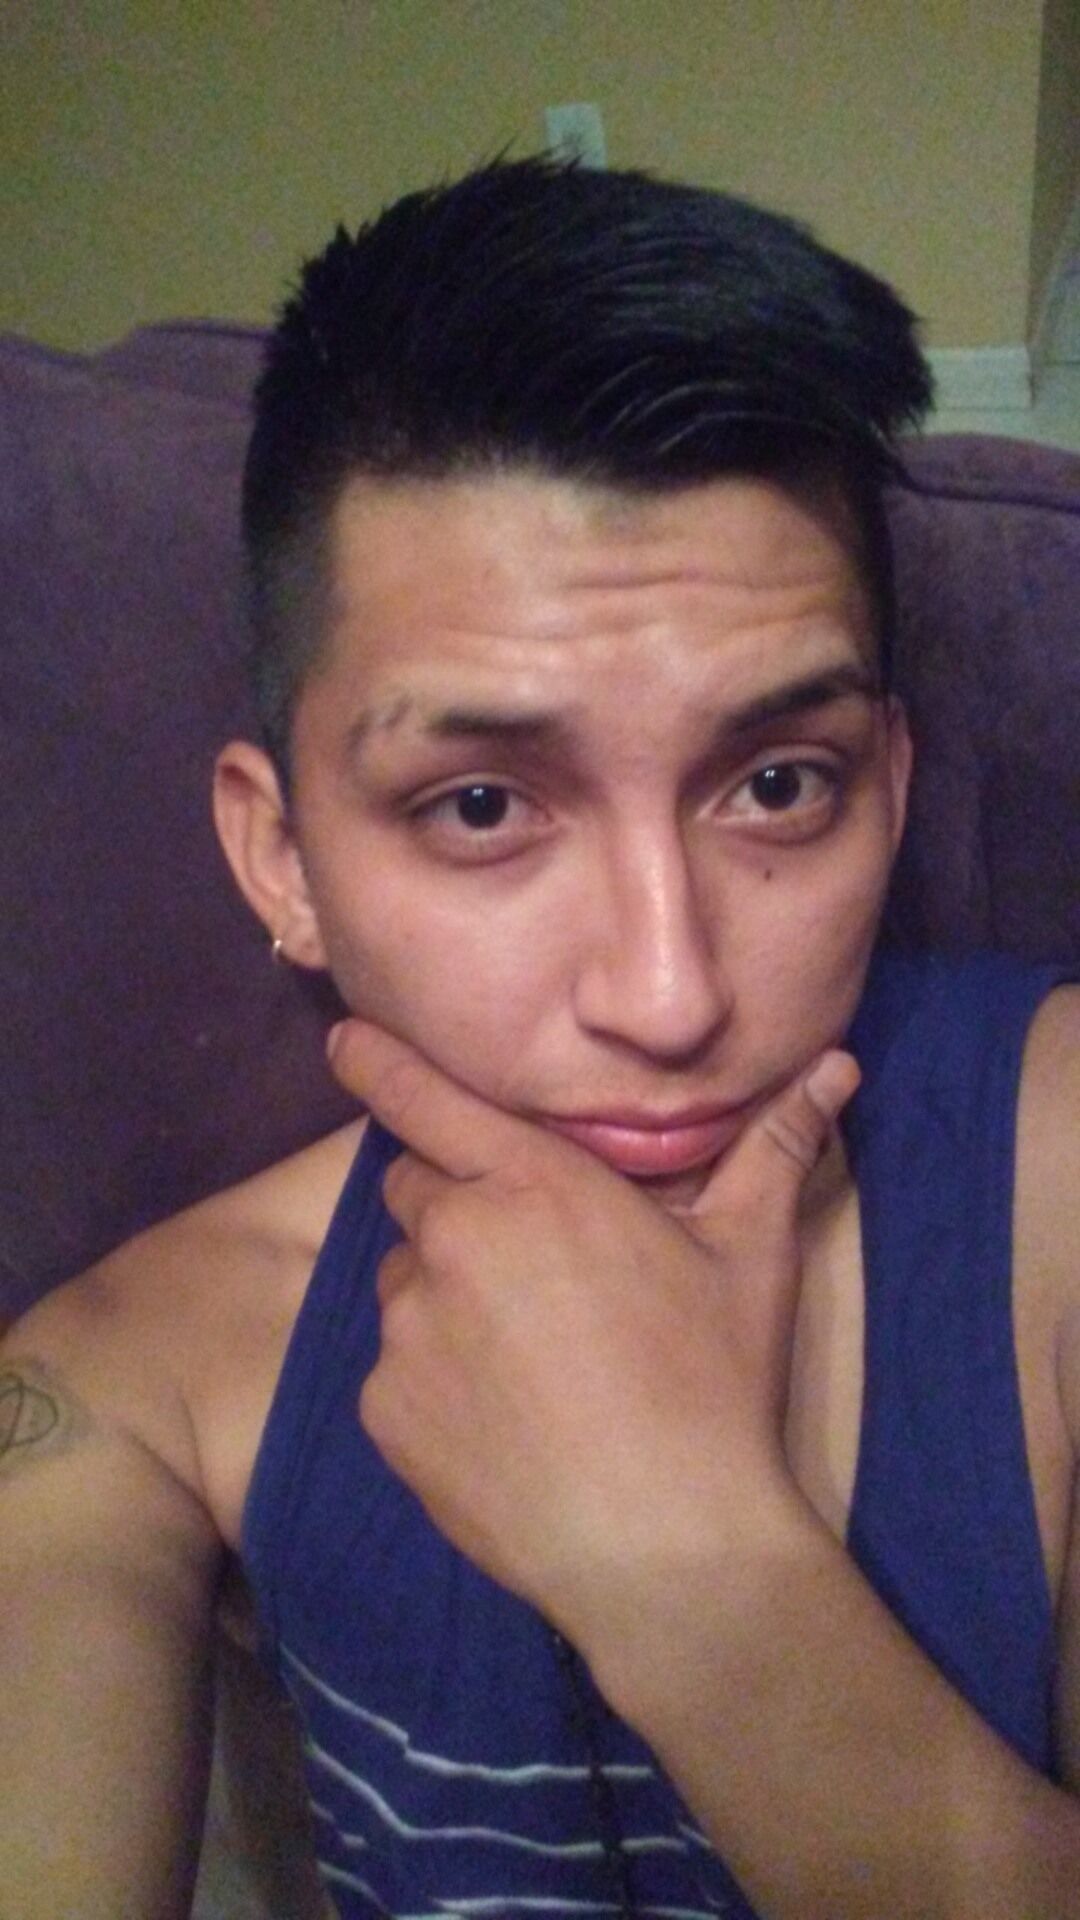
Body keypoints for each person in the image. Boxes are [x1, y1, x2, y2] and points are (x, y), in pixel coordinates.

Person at [1, 155, 1078, 1920]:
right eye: (484, 804)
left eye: (779, 784)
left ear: (889, 788)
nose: (669, 996)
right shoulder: (130, 1383)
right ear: (285, 863)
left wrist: (695, 1581)